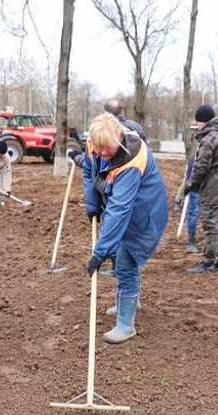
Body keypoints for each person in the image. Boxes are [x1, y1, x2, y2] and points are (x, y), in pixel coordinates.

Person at [71, 112, 167, 344]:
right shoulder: (95, 144)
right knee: (120, 256)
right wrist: (92, 205)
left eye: (108, 149)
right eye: (99, 148)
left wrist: (100, 251)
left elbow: (120, 210)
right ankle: (129, 301)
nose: (103, 153)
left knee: (126, 262)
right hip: (122, 211)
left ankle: (126, 325)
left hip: (144, 216)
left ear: (120, 137)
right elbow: (89, 171)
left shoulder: (131, 162)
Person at [185, 105, 218, 273]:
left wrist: (193, 184)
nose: (197, 125)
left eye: (198, 122)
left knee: (210, 223)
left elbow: (201, 165)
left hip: (214, 186)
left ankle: (208, 260)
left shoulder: (209, 139)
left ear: (203, 121)